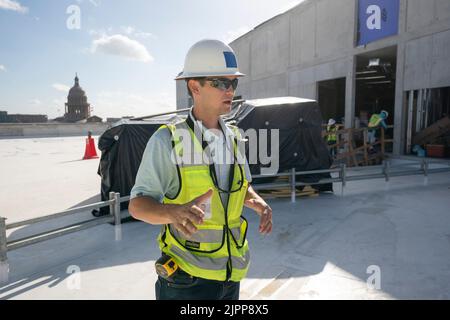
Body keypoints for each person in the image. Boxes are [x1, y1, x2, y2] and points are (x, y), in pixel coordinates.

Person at [128, 39, 273, 300]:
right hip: (186, 281)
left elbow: (240, 186)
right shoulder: (168, 140)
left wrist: (259, 203)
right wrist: (173, 212)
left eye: (233, 83)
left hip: (231, 275)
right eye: (220, 83)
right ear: (194, 86)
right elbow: (137, 206)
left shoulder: (236, 138)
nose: (230, 90)